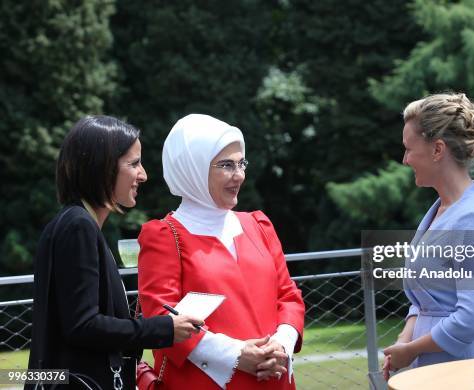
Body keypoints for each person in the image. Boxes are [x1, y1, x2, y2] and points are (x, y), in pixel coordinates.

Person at [27, 116, 203, 390]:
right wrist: (163, 329)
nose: (143, 175)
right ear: (103, 167)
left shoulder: (74, 223)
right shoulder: (78, 226)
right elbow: (83, 326)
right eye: (134, 164)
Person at [137, 114, 305, 389]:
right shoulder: (165, 235)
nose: (238, 174)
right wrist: (238, 356)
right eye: (226, 165)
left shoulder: (259, 224)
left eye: (241, 163)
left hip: (274, 378)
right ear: (193, 167)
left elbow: (288, 296)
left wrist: (280, 345)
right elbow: (161, 319)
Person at [382, 93, 474, 379]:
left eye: (409, 149)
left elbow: (473, 317)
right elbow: (425, 301)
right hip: (434, 369)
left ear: (437, 149)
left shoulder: (471, 220)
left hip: (462, 372)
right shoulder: (441, 211)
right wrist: (402, 343)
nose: (405, 159)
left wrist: (411, 350)